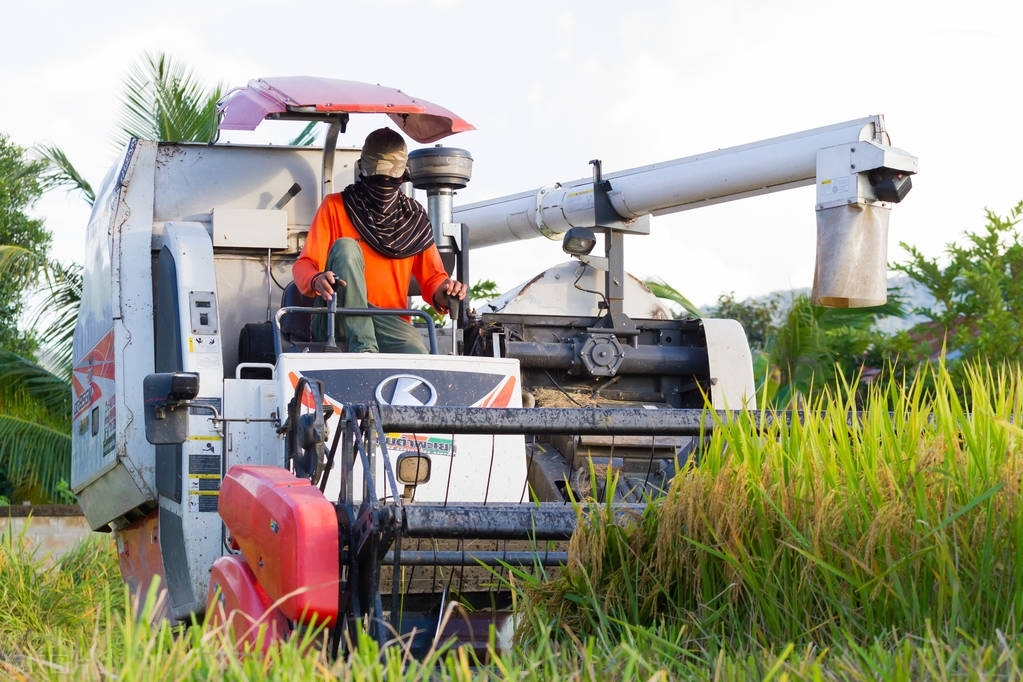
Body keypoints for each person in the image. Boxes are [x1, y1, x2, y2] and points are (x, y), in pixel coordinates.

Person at [292, 128, 467, 353]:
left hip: (388, 322)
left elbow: (433, 278)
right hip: (336, 317)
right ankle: (364, 349)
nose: (383, 184)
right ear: (363, 172)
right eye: (377, 178)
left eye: (390, 179)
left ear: (403, 176)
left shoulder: (413, 218)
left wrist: (448, 290)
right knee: (346, 247)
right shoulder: (335, 206)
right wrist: (316, 279)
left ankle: (369, 347)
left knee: (418, 354)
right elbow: (303, 265)